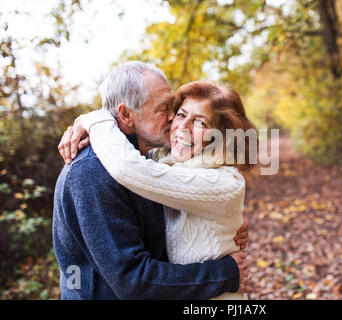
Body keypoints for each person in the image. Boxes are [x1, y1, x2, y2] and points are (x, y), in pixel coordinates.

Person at [53, 61, 249, 300]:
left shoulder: (148, 161)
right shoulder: (93, 172)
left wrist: (226, 222)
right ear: (126, 114)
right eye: (165, 109)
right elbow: (134, 281)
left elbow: (191, 192)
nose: (173, 120)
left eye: (173, 108)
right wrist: (225, 272)